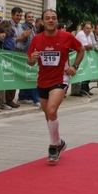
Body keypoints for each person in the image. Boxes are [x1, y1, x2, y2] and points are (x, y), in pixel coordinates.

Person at [26, 9, 85, 162]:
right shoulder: (37, 39)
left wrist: (75, 67)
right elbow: (30, 61)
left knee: (52, 110)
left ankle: (53, 146)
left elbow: (81, 49)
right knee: (48, 115)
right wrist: (32, 58)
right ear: (42, 22)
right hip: (43, 80)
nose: (51, 20)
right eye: (47, 18)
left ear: (56, 20)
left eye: (53, 18)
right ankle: (59, 142)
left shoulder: (66, 36)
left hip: (61, 78)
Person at [72, 22, 93, 96]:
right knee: (77, 72)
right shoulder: (81, 34)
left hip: (83, 56)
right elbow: (85, 46)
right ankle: (75, 91)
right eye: (87, 28)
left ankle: (82, 89)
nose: (88, 30)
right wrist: (89, 46)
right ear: (83, 28)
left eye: (90, 28)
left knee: (84, 72)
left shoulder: (88, 35)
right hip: (77, 55)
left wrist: (89, 46)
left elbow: (90, 45)